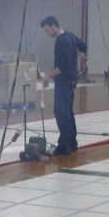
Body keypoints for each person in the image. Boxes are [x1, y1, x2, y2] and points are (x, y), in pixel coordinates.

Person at [39, 15, 87, 155]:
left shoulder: (62, 41)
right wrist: (75, 59)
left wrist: (48, 75)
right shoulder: (70, 36)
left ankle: (64, 146)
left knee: (61, 113)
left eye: (47, 30)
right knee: (67, 112)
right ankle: (72, 143)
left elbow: (63, 67)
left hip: (65, 81)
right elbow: (84, 46)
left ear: (54, 25)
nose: (47, 34)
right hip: (70, 80)